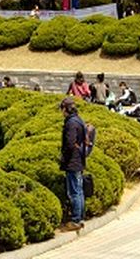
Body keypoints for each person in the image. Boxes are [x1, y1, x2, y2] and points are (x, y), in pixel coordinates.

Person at [58, 97, 87, 232]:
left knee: (74, 191)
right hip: (79, 160)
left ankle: (76, 220)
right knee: (79, 191)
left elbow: (70, 143)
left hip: (72, 161)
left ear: (65, 109)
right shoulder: (79, 119)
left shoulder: (71, 123)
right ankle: (80, 218)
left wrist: (63, 156)